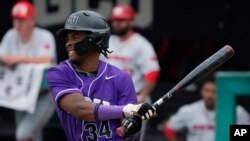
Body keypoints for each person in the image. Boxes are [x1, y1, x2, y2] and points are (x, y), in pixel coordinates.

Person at [45, 10, 156, 141]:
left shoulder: (122, 78)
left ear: (96, 39)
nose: (68, 43)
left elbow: (130, 136)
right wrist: (127, 109)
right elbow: (79, 109)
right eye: (68, 38)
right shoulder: (59, 73)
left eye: (75, 37)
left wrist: (132, 126)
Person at [102, 4, 160, 141]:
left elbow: (152, 71)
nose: (117, 23)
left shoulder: (141, 44)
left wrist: (142, 95)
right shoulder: (107, 41)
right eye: (115, 19)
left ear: (131, 21)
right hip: (108, 100)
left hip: (132, 100)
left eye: (122, 20)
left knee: (131, 138)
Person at [0, 1, 56, 141]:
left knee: (23, 134)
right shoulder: (10, 35)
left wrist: (18, 59)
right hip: (22, 94)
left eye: (22, 20)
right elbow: (3, 57)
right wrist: (8, 60)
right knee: (32, 136)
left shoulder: (44, 36)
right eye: (15, 19)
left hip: (44, 94)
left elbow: (47, 60)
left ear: (32, 21)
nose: (18, 24)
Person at [163, 76, 250, 141]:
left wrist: (231, 132)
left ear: (221, 92)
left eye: (214, 91)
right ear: (201, 91)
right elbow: (169, 129)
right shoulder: (189, 110)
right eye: (207, 90)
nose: (209, 95)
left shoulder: (237, 111)